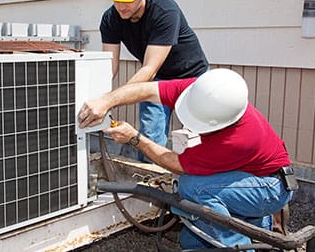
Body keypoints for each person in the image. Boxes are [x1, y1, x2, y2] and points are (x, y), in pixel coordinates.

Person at [78, 68, 296, 250]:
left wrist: (134, 138)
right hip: (247, 175)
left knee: (194, 187)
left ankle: (241, 244)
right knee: (192, 242)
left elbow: (177, 164)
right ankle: (255, 224)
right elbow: (145, 89)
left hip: (270, 187)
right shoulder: (203, 91)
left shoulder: (238, 139)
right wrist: (106, 101)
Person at [100, 0, 209, 162]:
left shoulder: (165, 10)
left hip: (193, 77)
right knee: (149, 137)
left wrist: (112, 99)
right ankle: (152, 186)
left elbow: (149, 68)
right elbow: (110, 67)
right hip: (159, 80)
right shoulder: (110, 19)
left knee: (199, 139)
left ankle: (195, 185)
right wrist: (99, 98)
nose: (121, 6)